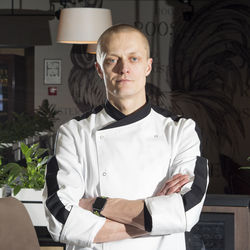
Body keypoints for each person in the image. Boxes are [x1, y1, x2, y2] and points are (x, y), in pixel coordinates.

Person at [43, 24, 209, 250]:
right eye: (112, 60)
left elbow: (186, 211)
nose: (124, 69)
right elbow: (61, 219)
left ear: (148, 66)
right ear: (100, 69)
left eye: (134, 59)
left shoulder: (181, 130)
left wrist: (97, 204)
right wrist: (158, 219)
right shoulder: (73, 132)